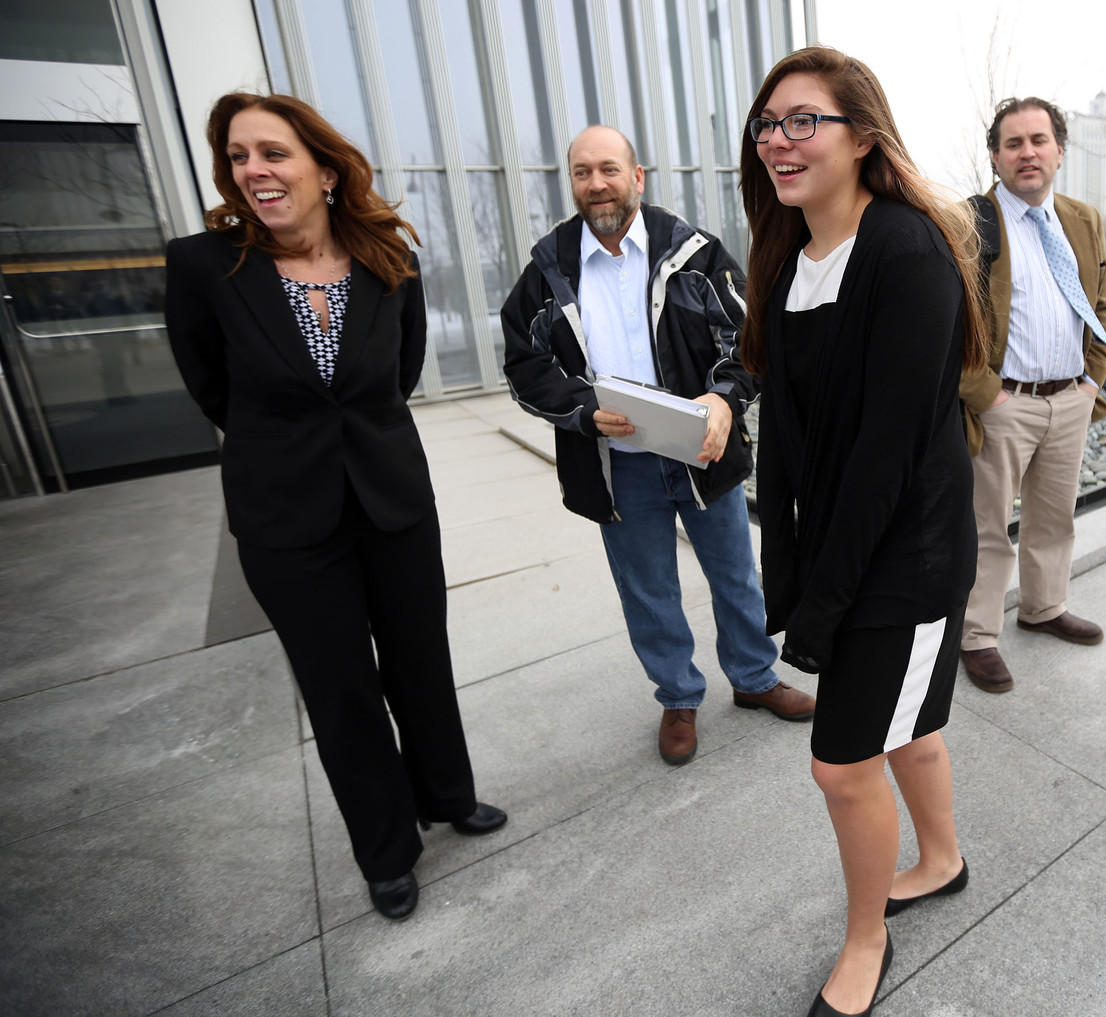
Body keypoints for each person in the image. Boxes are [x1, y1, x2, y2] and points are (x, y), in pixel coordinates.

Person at [165, 92, 505, 922]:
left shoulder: (389, 257)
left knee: (420, 659)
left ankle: (448, 793)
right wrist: (289, 448)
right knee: (340, 687)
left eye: (272, 153)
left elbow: (399, 373)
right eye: (239, 156)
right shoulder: (204, 266)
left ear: (323, 168)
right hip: (285, 518)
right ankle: (387, 850)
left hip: (391, 498)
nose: (254, 171)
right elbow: (211, 384)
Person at [740, 48, 988, 1017]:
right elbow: (789, 437)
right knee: (910, 732)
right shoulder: (788, 257)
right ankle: (941, 859)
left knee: (840, 765)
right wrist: (785, 570)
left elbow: (884, 455)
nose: (777, 140)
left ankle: (864, 939)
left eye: (803, 120)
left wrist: (822, 608)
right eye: (767, 123)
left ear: (862, 137)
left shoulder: (905, 251)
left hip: (907, 558)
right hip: (848, 550)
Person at [502, 125, 815, 766]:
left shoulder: (694, 253)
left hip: (699, 452)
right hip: (617, 468)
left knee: (735, 575)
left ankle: (754, 679)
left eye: (609, 169)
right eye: (583, 172)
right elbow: (524, 365)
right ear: (573, 183)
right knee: (648, 589)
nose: (597, 183)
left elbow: (746, 339)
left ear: (637, 176)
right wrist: (583, 409)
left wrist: (725, 399)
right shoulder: (546, 270)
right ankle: (677, 697)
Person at [959, 98, 1106, 694]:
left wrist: (1091, 380)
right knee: (987, 527)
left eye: (1039, 140)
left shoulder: (1082, 218)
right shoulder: (968, 223)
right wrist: (988, 397)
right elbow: (949, 323)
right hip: (1005, 407)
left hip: (1069, 399)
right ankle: (976, 635)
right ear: (996, 157)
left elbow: (1101, 303)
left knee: (1055, 517)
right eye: (1013, 143)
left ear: (1059, 148)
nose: (1027, 152)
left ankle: (1044, 607)